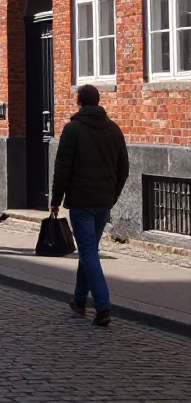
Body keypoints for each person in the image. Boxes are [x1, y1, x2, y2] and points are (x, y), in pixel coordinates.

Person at [51, 83, 129, 328]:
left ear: (80, 103)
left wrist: (55, 201)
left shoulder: (73, 129)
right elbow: (123, 168)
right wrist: (112, 195)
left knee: (88, 252)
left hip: (82, 202)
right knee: (88, 250)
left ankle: (103, 306)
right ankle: (79, 300)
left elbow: (62, 169)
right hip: (103, 202)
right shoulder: (114, 130)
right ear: (98, 102)